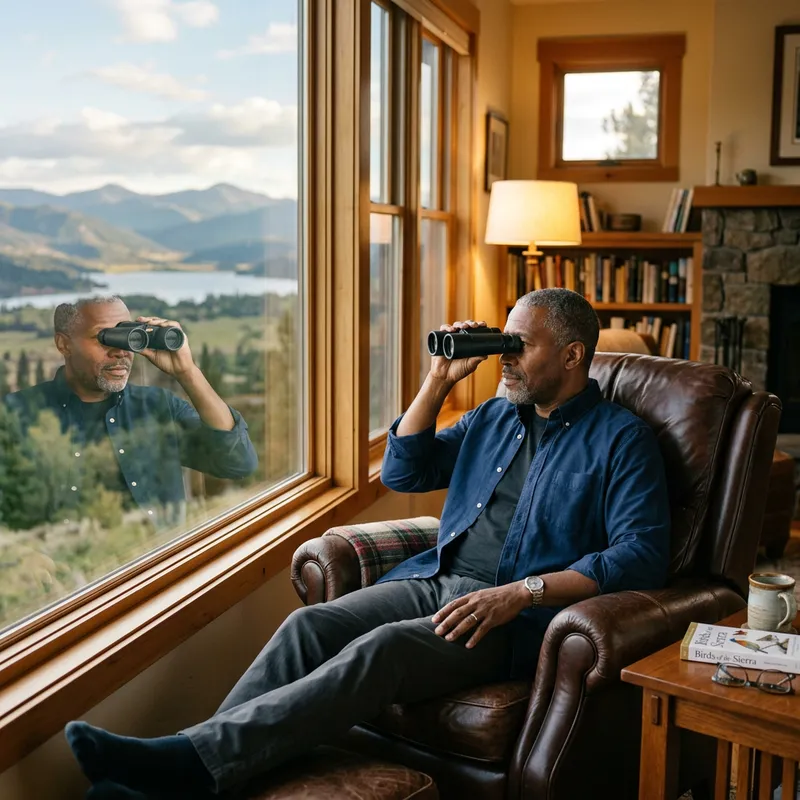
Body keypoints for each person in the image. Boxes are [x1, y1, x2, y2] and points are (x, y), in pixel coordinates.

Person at [64, 288, 670, 799]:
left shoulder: (622, 439)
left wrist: (522, 592)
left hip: (512, 618)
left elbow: (639, 554)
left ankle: (184, 766)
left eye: (520, 345)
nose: (505, 357)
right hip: (435, 579)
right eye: (503, 341)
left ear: (571, 354)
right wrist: (438, 379)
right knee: (308, 626)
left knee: (384, 649)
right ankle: (196, 771)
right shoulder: (494, 417)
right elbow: (405, 470)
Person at [4, 295, 257, 529]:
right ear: (64, 344)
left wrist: (187, 372)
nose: (121, 351)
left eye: (126, 336)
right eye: (104, 337)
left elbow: (238, 462)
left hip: (162, 559)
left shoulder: (159, 407)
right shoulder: (14, 415)